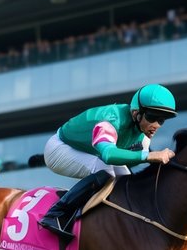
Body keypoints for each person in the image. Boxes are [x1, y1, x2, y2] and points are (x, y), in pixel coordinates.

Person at [37, 83, 177, 239]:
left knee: (125, 180)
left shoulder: (143, 135)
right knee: (106, 172)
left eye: (161, 120)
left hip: (87, 150)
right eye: (152, 117)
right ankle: (55, 214)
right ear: (137, 113)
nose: (156, 125)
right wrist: (148, 156)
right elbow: (109, 155)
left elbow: (129, 163)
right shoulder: (111, 120)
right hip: (59, 148)